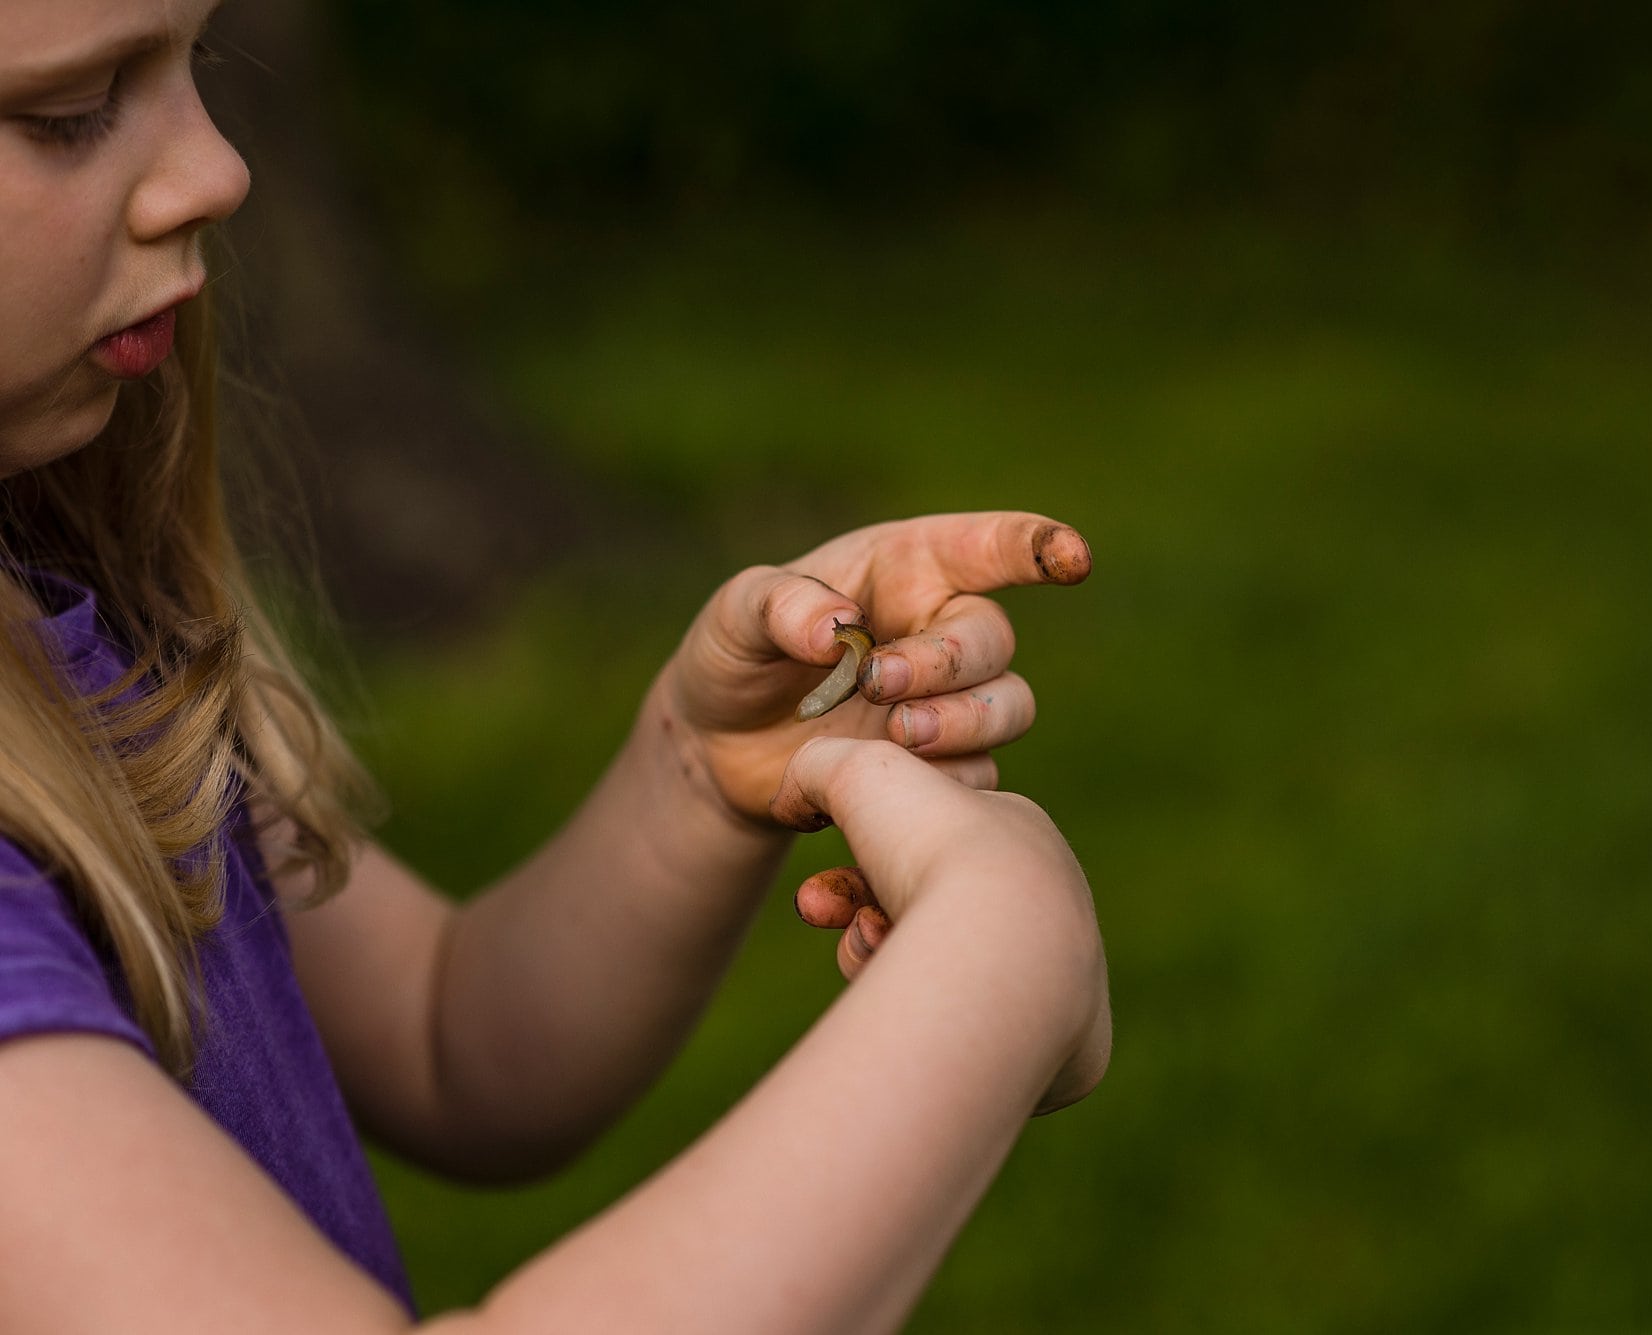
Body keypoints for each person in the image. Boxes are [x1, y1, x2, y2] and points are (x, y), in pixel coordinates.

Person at [0, 0, 1113, 1329]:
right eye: (69, 108)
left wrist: (699, 773)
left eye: (199, 62)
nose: (221, 169)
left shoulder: (74, 622)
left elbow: (447, 1037)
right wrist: (1002, 963)